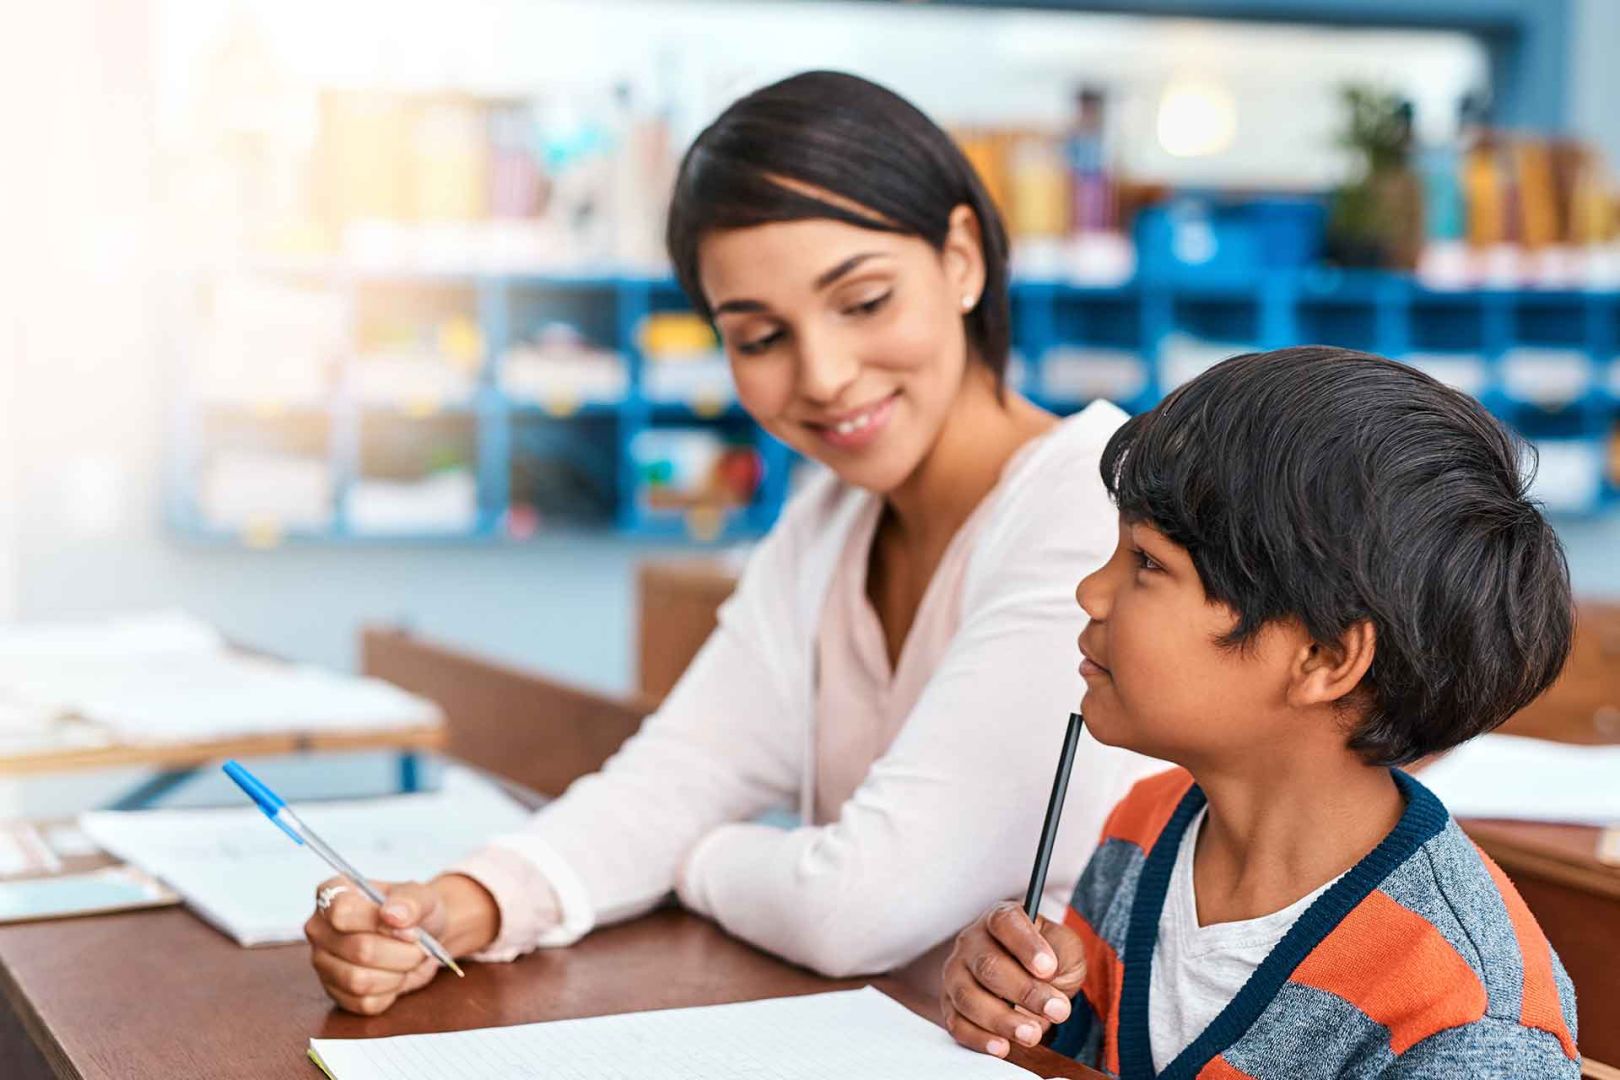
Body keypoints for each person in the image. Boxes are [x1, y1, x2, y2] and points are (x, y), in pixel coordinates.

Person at [304, 70, 1157, 1015]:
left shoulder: (1089, 514)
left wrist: (695, 855)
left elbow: (855, 907)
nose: (825, 376)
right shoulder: (829, 519)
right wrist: (461, 907)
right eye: (760, 338)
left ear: (961, 257)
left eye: (864, 301)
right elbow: (684, 772)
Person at [942, 347, 1581, 1077]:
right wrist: (1024, 1015)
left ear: (1324, 658)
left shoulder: (1467, 1021)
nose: (1091, 591)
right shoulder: (1144, 828)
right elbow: (1076, 1056)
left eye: (1148, 563)